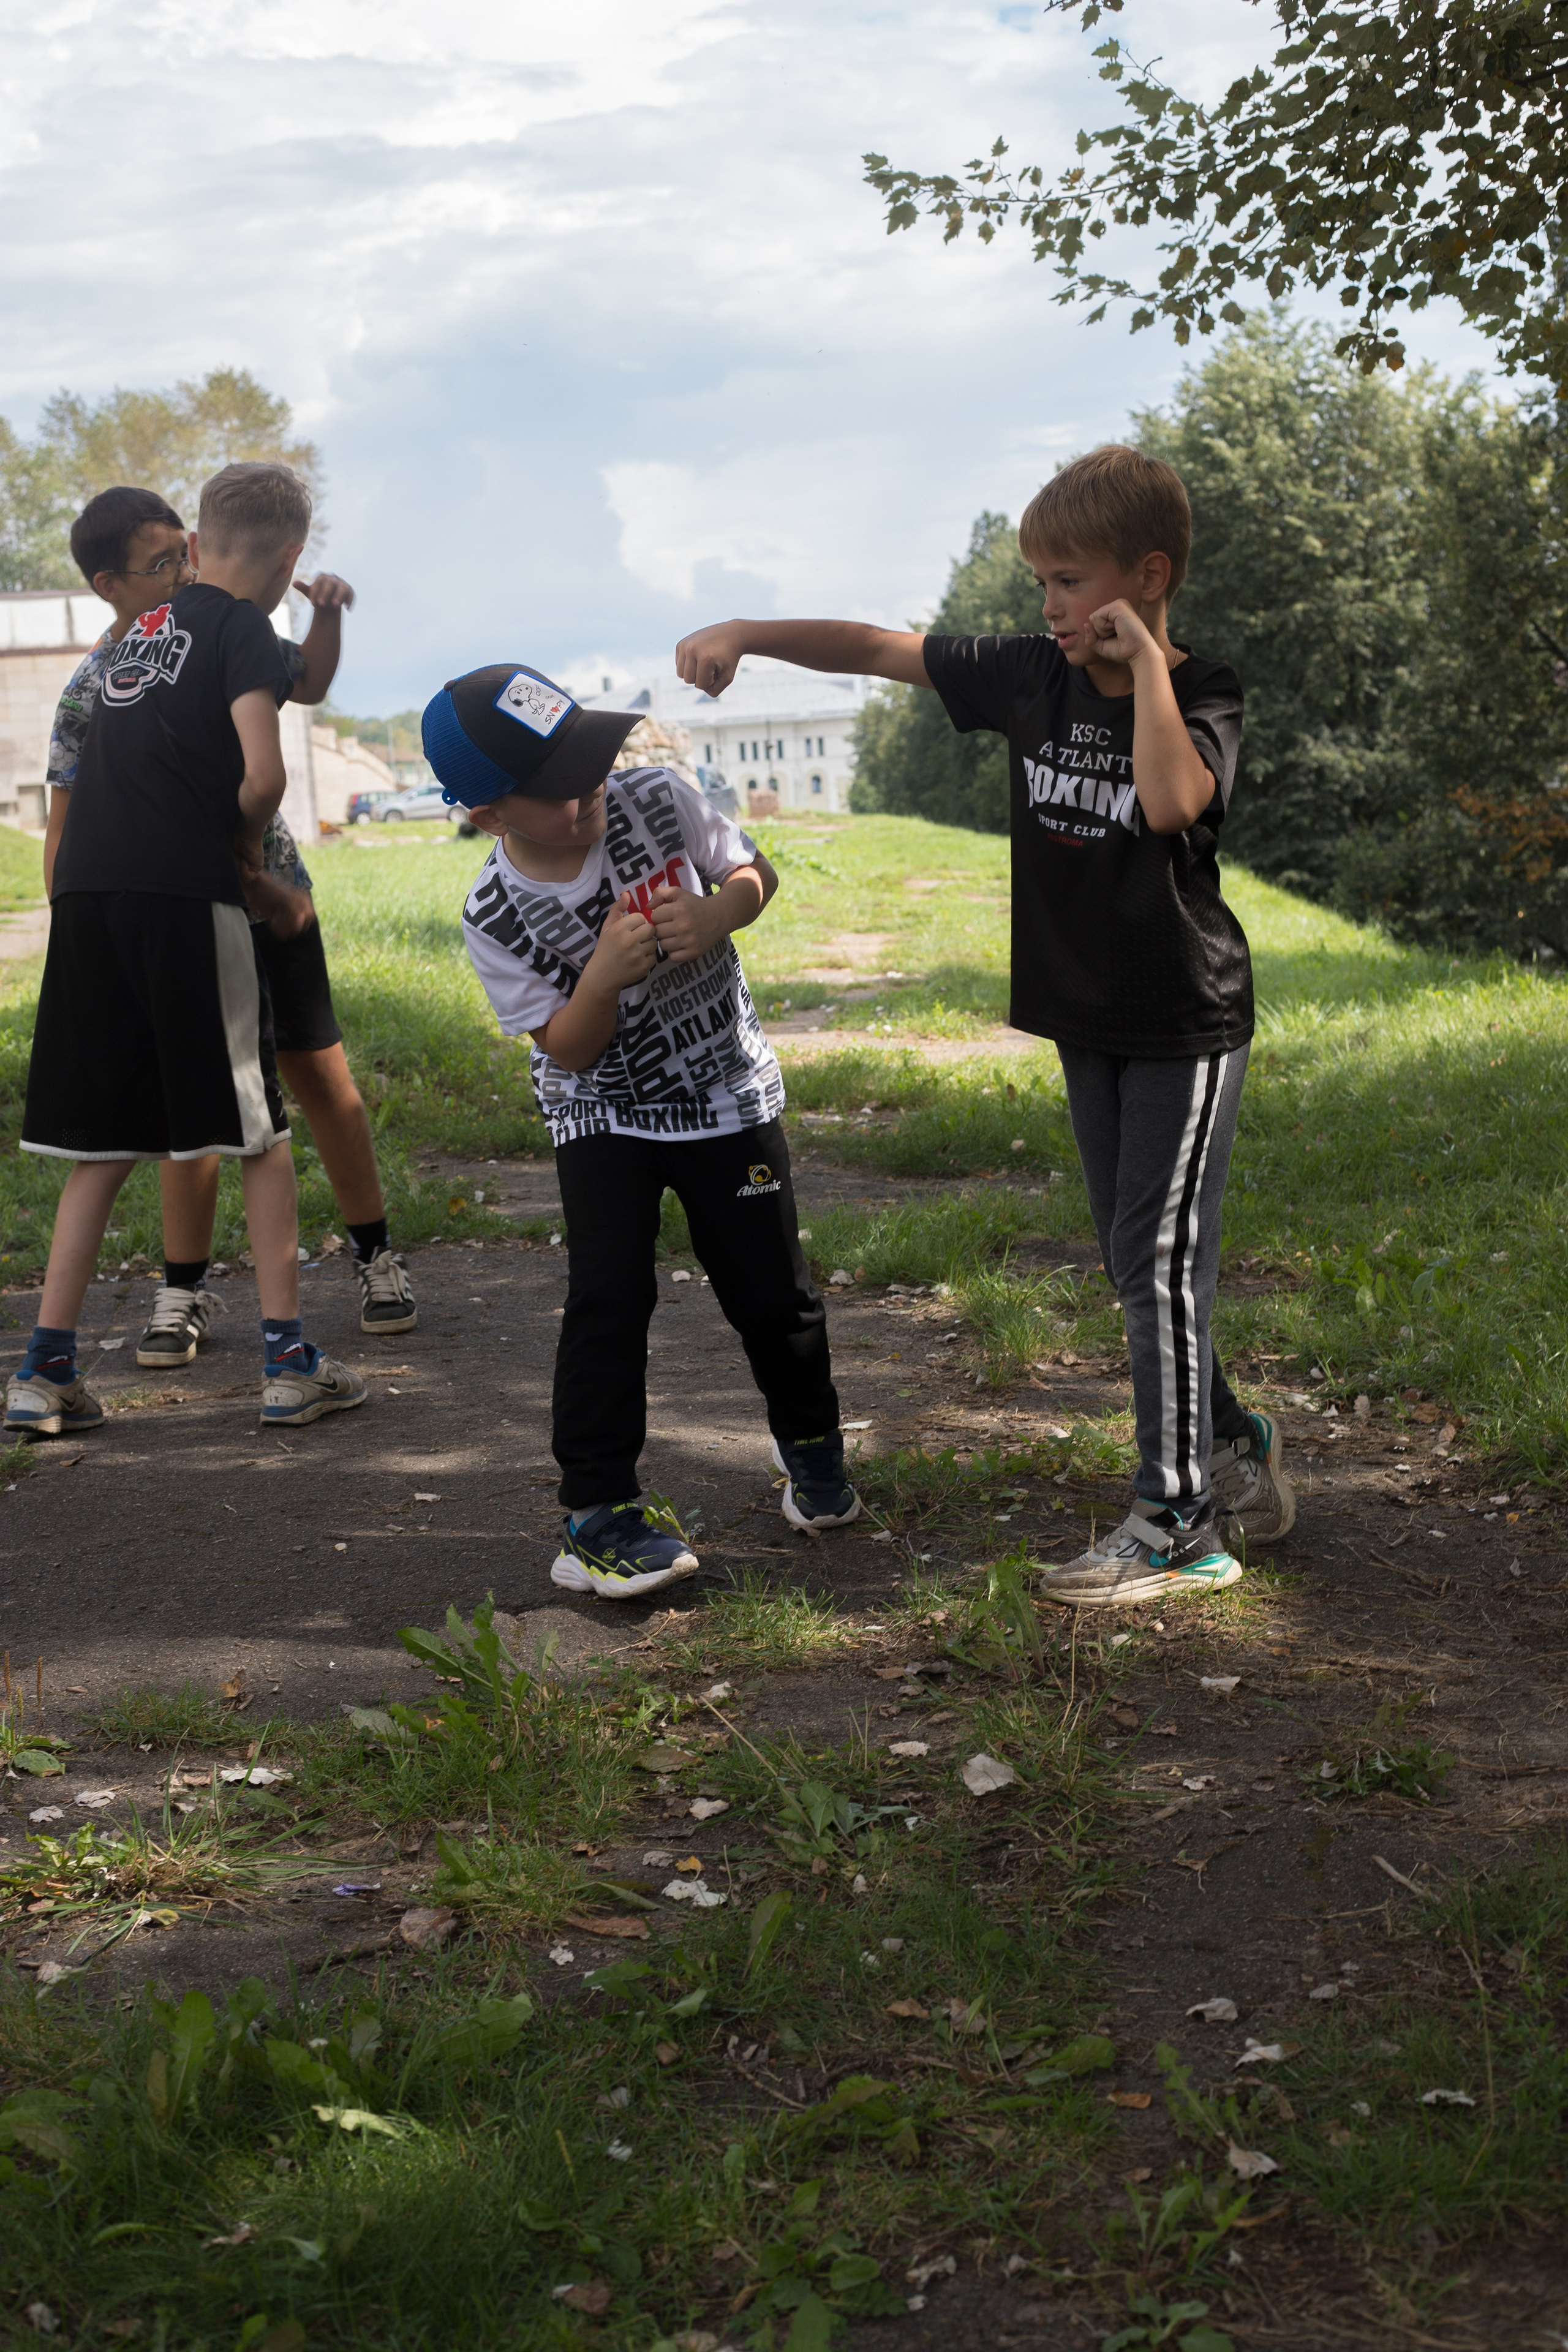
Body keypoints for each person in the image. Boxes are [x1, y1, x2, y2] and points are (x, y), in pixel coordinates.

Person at [675, 444, 1295, 1609]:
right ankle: (1234, 1443)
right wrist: (750, 631)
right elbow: (876, 649)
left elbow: (1171, 803)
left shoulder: (1204, 691)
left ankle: (1177, 1525)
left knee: (1157, 1262)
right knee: (1133, 1258)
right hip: (1084, 1014)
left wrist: (1147, 666)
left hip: (1183, 1016)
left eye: (1070, 581)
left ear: (1147, 575)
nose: (1051, 606)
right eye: (1040, 585)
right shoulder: (1026, 676)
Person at [421, 661, 859, 1599]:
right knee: (609, 1301)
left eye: (589, 761)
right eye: (557, 787)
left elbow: (754, 872)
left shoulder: (655, 798)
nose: (588, 791)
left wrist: (716, 912)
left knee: (773, 1292)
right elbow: (567, 1050)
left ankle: (815, 1453)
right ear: (489, 812)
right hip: (604, 1115)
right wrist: (601, 977)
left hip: (726, 1095)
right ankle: (597, 1514)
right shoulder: (494, 914)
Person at [6, 462, 368, 1438]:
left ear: (199, 548)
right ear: (290, 559)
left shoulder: (131, 643)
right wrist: (243, 855)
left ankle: (42, 1375)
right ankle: (290, 1363)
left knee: (103, 1144)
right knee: (258, 1132)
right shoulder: (237, 628)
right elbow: (264, 772)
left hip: (86, 902)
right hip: (183, 899)